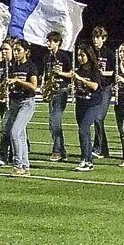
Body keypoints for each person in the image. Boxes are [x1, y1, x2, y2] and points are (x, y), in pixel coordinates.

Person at [4, 40, 39, 176]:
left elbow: (33, 86)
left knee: (15, 132)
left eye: (19, 50)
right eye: (15, 50)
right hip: (15, 102)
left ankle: (18, 164)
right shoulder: (12, 66)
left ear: (26, 51)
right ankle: (25, 166)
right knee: (21, 135)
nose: (16, 53)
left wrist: (18, 81)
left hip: (26, 102)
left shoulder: (30, 66)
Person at [70, 45, 107, 172]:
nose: (80, 58)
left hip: (93, 104)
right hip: (81, 103)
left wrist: (80, 79)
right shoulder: (78, 70)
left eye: (82, 55)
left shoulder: (94, 71)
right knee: (83, 132)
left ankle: (88, 161)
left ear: (89, 56)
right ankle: (84, 158)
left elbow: (95, 86)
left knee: (83, 129)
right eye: (79, 55)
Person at [44, 31, 72, 162]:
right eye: (48, 41)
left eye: (51, 41)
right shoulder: (47, 57)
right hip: (51, 91)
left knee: (54, 121)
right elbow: (45, 73)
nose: (48, 43)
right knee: (52, 123)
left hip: (61, 90)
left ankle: (57, 150)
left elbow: (72, 73)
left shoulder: (64, 56)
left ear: (57, 43)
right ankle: (61, 150)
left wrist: (60, 73)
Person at [89, 26, 112, 159]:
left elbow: (114, 72)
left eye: (98, 37)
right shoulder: (91, 53)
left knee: (99, 118)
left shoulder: (108, 53)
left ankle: (98, 147)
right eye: (94, 37)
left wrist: (103, 73)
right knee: (96, 119)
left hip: (105, 88)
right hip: (95, 88)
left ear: (103, 38)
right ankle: (103, 149)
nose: (95, 40)